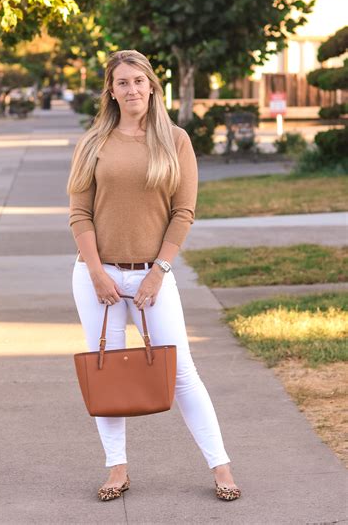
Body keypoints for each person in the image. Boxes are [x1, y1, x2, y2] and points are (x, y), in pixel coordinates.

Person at [67, 50, 241, 503]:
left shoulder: (175, 140)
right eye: (122, 82)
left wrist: (159, 273)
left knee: (183, 372)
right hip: (98, 276)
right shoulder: (93, 143)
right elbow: (79, 215)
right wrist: (95, 273)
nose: (131, 90)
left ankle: (221, 468)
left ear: (151, 86)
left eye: (138, 81)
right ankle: (116, 469)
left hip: (153, 276)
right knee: (106, 370)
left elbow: (183, 213)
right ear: (111, 90)